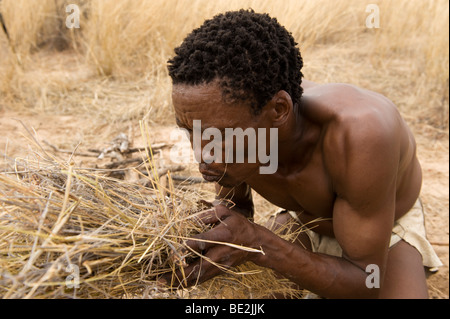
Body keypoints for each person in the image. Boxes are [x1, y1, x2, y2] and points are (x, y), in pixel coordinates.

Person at [163, 9, 442, 298]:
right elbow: (237, 208)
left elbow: (365, 279)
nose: (202, 155)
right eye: (190, 132)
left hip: (383, 236)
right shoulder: (230, 126)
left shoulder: (360, 134)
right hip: (304, 224)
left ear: (279, 110)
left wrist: (259, 243)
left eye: (219, 136)